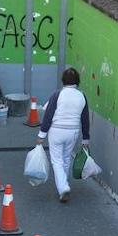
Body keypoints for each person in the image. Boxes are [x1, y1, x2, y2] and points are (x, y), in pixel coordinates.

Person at [36, 67, 91, 203]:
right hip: (73, 132)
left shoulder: (57, 94)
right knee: (66, 158)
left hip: (57, 131)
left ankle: (63, 188)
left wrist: (41, 135)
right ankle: (63, 184)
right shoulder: (82, 96)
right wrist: (85, 138)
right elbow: (85, 119)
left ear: (63, 80)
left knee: (57, 161)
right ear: (77, 81)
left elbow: (48, 115)